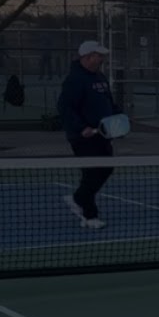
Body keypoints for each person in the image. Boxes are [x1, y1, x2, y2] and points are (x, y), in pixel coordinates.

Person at [57, 41, 120, 229]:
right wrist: (81, 127)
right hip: (84, 137)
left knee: (107, 168)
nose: (101, 59)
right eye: (98, 55)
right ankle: (89, 215)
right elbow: (65, 108)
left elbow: (108, 101)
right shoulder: (74, 79)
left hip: (103, 134)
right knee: (91, 173)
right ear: (87, 57)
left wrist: (118, 117)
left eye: (101, 56)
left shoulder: (99, 77)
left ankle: (78, 198)